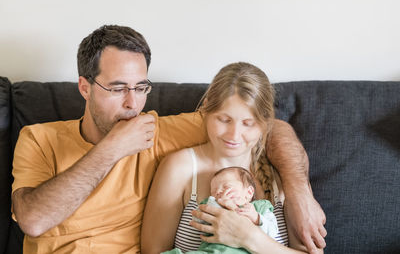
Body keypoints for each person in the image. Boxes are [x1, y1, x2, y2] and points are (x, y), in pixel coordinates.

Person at [11, 25, 325, 254]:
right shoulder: (39, 138)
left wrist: (298, 190)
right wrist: (113, 149)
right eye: (118, 88)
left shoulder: (160, 130)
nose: (132, 104)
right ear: (85, 87)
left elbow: (266, 127)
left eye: (141, 87)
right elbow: (34, 220)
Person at [141, 62, 324, 253]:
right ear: (206, 109)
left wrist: (248, 237)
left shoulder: (283, 174)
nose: (234, 135)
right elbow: (152, 252)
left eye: (248, 123)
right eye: (224, 120)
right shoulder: (180, 168)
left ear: (265, 123)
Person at [163, 166, 279, 254]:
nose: (219, 192)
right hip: (211, 251)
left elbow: (273, 232)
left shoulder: (260, 208)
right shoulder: (211, 204)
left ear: (249, 192)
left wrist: (256, 218)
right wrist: (212, 205)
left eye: (226, 187)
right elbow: (197, 221)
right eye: (214, 191)